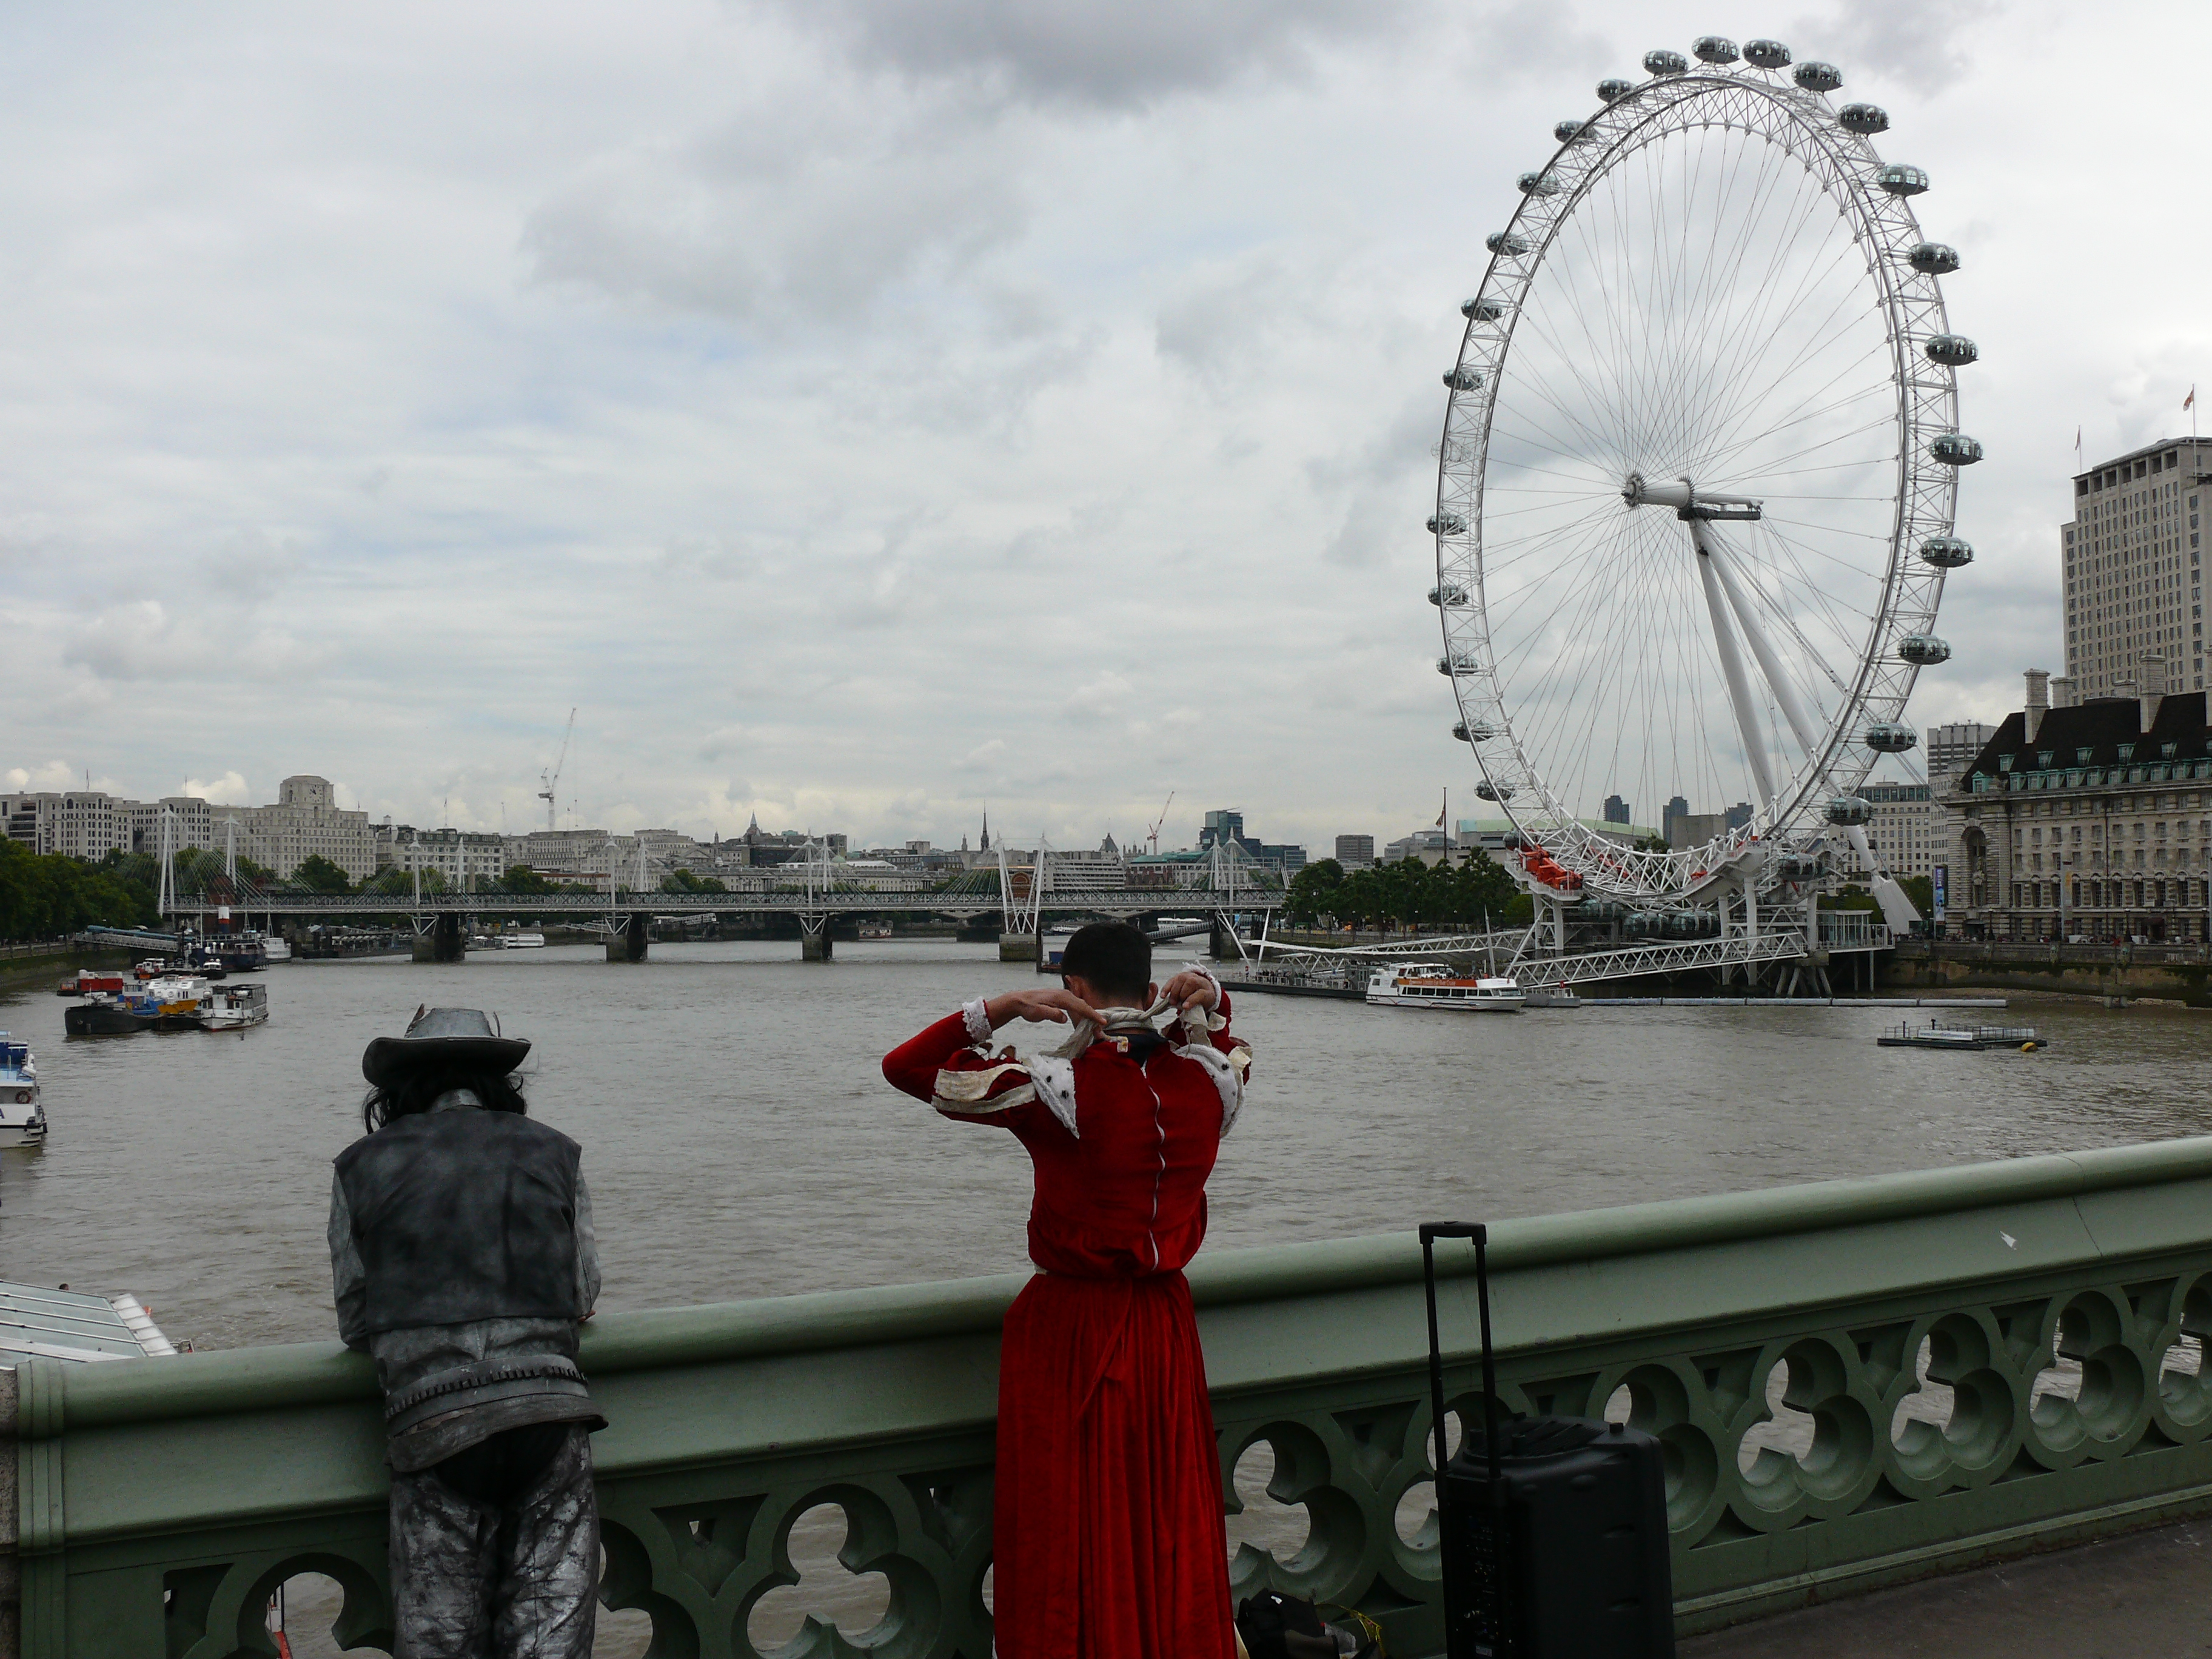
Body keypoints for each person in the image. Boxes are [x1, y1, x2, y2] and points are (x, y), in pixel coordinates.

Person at [881, 922, 1252, 1658]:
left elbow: (906, 1068)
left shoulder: (1054, 1091)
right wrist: (1208, 995)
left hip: (1072, 1331)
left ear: (1073, 992)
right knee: (1164, 1515)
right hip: (1167, 1327)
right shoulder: (1212, 1084)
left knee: (1071, 1522)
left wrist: (1002, 1008)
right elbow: (1226, 1040)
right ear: (1150, 991)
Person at [329, 1006, 604, 1659]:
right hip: (551, 1414)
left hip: (431, 1425)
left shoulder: (358, 1166)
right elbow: (582, 1291)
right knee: (551, 1632)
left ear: (398, 1089)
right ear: (500, 1084)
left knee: (440, 1636)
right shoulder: (556, 1150)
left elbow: (356, 1317)